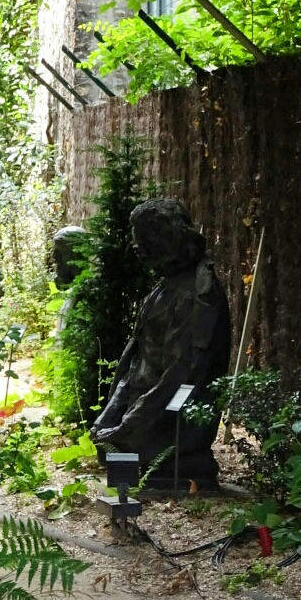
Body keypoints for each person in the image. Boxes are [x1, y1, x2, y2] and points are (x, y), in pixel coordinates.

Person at [90, 198, 230, 489]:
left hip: (172, 411)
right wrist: (111, 415)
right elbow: (135, 362)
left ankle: (158, 454)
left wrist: (128, 426)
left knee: (127, 446)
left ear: (166, 239)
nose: (137, 249)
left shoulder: (197, 295)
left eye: (144, 241)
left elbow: (181, 376)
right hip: (146, 406)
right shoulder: (165, 288)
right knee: (112, 447)